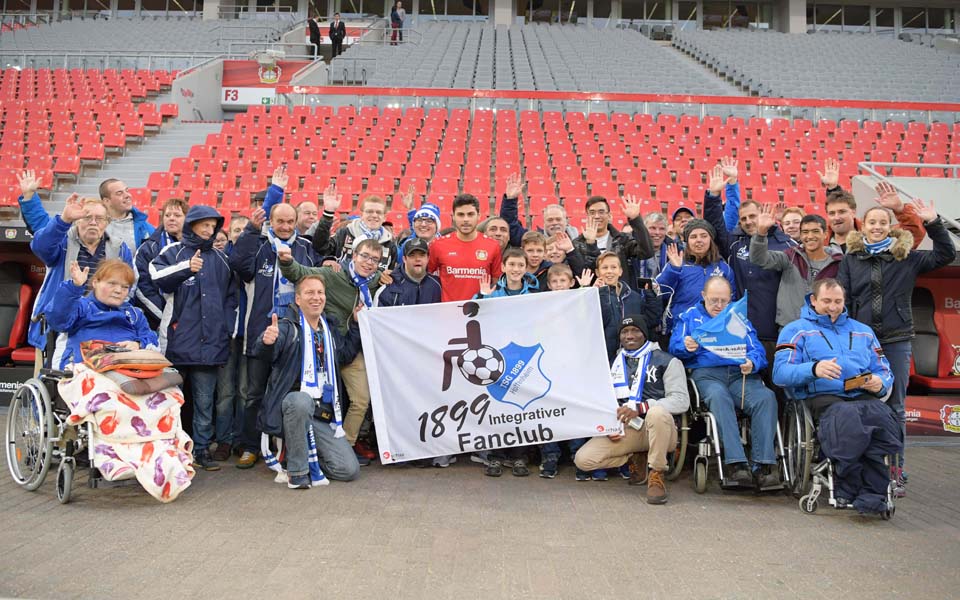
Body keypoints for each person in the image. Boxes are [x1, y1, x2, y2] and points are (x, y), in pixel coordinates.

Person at [837, 198, 952, 488]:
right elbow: (844, 299)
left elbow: (945, 253)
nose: (877, 227)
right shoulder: (852, 259)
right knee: (861, 403)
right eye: (872, 222)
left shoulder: (907, 257)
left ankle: (896, 471)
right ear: (864, 228)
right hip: (862, 343)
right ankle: (865, 467)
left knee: (896, 408)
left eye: (882, 222)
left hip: (897, 340)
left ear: (890, 227)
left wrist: (933, 222)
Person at [773, 279, 900, 513]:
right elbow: (780, 374)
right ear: (813, 300)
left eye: (838, 301)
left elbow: (884, 369)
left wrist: (880, 383)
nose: (833, 307)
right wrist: (813, 369)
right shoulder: (795, 330)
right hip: (822, 396)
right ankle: (848, 487)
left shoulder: (863, 331)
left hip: (861, 393)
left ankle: (874, 491)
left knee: (882, 417)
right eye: (826, 301)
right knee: (848, 418)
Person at [228, 169, 323, 469]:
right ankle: (249, 445)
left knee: (291, 391)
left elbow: (317, 277)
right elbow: (237, 265)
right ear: (272, 221)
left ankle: (284, 446)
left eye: (289, 222)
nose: (284, 226)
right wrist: (250, 232)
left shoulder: (305, 248)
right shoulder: (258, 245)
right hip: (262, 331)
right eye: (279, 221)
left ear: (296, 223)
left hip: (295, 333)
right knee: (253, 392)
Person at [278, 239, 386, 464]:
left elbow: (390, 275)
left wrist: (392, 275)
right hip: (327, 349)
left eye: (375, 260)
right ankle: (296, 447)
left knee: (361, 400)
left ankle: (344, 446)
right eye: (365, 256)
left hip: (353, 348)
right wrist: (286, 262)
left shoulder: (375, 279)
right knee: (316, 399)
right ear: (353, 255)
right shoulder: (334, 274)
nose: (368, 263)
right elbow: (301, 272)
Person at [669, 276, 780, 489]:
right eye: (713, 301)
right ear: (703, 296)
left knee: (766, 398)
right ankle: (735, 463)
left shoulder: (738, 318)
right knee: (719, 397)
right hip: (707, 374)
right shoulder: (689, 317)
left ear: (731, 299)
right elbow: (675, 348)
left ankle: (763, 464)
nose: (719, 306)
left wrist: (752, 362)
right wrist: (686, 346)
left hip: (740, 375)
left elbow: (757, 351)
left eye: (723, 301)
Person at [254, 275, 363, 488]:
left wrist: (357, 326)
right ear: (297, 299)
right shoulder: (287, 327)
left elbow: (344, 355)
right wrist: (266, 342)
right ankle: (298, 472)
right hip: (294, 409)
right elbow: (266, 354)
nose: (316, 298)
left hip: (322, 412)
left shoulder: (328, 330)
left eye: (320, 293)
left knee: (349, 470)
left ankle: (306, 454)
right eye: (309, 293)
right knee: (300, 401)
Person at [150, 205, 237, 471]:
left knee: (204, 404)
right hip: (176, 342)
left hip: (211, 343)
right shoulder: (172, 252)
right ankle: (170, 450)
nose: (210, 230)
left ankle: (201, 451)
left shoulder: (221, 259)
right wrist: (186, 268)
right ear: (193, 224)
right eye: (205, 225)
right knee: (170, 402)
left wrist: (226, 328)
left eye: (214, 226)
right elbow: (155, 277)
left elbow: (232, 299)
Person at [574, 315, 690, 504]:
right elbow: (603, 400)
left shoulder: (667, 361)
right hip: (630, 429)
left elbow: (681, 401)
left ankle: (656, 474)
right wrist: (609, 426)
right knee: (584, 460)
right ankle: (636, 456)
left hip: (662, 429)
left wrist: (642, 407)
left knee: (657, 412)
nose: (629, 335)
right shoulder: (613, 363)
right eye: (625, 332)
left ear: (644, 334)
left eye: (635, 330)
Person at [704, 160, 794, 363]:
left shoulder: (785, 244)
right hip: (742, 328)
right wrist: (714, 196)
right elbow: (714, 225)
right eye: (743, 219)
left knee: (777, 384)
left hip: (776, 328)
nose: (748, 222)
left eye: (752, 216)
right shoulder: (734, 242)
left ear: (762, 214)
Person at [29, 195, 133, 364]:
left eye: (99, 218)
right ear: (77, 220)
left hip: (101, 320)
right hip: (61, 319)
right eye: (87, 217)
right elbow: (40, 247)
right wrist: (64, 220)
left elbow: (127, 286)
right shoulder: (62, 242)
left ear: (107, 222)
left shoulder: (120, 248)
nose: (93, 222)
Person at [46, 259, 158, 369]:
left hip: (127, 368)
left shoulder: (134, 314)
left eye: (125, 287)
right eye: (112, 284)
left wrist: (138, 344)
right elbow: (58, 320)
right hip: (84, 368)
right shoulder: (81, 307)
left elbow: (150, 337)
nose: (119, 290)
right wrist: (74, 287)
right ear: (95, 283)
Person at [750, 211, 843, 329]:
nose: (809, 236)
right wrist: (761, 233)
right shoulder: (790, 256)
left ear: (825, 234)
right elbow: (758, 259)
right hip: (790, 328)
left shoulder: (838, 262)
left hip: (826, 328)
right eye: (805, 232)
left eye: (815, 231)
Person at [817, 159, 925, 252]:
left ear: (853, 212)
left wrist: (900, 209)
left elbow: (913, 233)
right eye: (831, 213)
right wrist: (832, 188)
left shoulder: (877, 236)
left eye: (842, 212)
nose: (836, 217)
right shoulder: (819, 240)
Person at [655, 218, 736, 336]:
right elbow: (659, 293)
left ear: (711, 239)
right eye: (693, 237)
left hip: (714, 331)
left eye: (704, 236)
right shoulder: (677, 263)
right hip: (682, 331)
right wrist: (673, 270)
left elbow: (731, 302)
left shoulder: (724, 268)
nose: (699, 240)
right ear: (687, 241)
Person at [428, 194, 503, 303]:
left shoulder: (492, 246)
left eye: (470, 214)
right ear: (453, 216)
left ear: (479, 216)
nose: (466, 219)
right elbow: (425, 277)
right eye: (461, 215)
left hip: (480, 313)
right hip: (448, 314)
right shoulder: (438, 245)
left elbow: (497, 283)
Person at [572, 194, 654, 286]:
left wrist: (635, 220)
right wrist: (590, 243)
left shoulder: (622, 240)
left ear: (609, 215)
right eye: (592, 212)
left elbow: (647, 252)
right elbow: (579, 273)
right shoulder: (577, 244)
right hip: (592, 297)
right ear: (587, 216)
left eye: (601, 212)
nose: (597, 216)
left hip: (620, 296)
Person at [135, 198, 188, 331]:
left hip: (189, 320)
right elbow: (142, 287)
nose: (171, 219)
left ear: (187, 219)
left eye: (177, 215)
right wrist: (166, 316)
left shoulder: (195, 248)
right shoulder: (148, 248)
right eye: (167, 215)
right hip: (156, 319)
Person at [595, 252, 660, 361]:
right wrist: (601, 293)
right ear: (597, 272)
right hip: (604, 357)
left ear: (620, 271)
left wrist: (651, 294)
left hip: (632, 357)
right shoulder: (593, 296)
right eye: (604, 268)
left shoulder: (634, 296)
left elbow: (651, 320)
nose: (609, 271)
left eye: (613, 267)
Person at [313, 188, 397, 271]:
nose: (374, 215)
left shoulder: (390, 244)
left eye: (378, 212)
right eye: (369, 211)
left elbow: (390, 272)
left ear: (384, 217)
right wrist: (328, 212)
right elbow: (321, 247)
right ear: (361, 214)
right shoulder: (345, 233)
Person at [498, 173, 579, 247]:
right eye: (550, 220)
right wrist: (510, 201)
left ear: (566, 221)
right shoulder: (533, 240)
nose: (554, 223)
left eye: (558, 219)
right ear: (544, 223)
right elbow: (511, 227)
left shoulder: (579, 242)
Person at [374, 238, 441, 308]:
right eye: (412, 255)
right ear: (404, 259)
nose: (417, 259)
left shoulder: (437, 285)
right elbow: (377, 317)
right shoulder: (388, 287)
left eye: (422, 255)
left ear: (428, 258)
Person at [99, 178, 155, 251]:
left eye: (127, 191)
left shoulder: (144, 227)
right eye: (119, 193)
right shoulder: (96, 225)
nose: (127, 195)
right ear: (106, 201)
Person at [475, 247, 539, 300]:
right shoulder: (492, 290)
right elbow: (470, 311)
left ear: (525, 269)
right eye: (511, 264)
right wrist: (484, 296)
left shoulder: (534, 293)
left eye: (521, 265)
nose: (516, 269)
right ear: (503, 267)